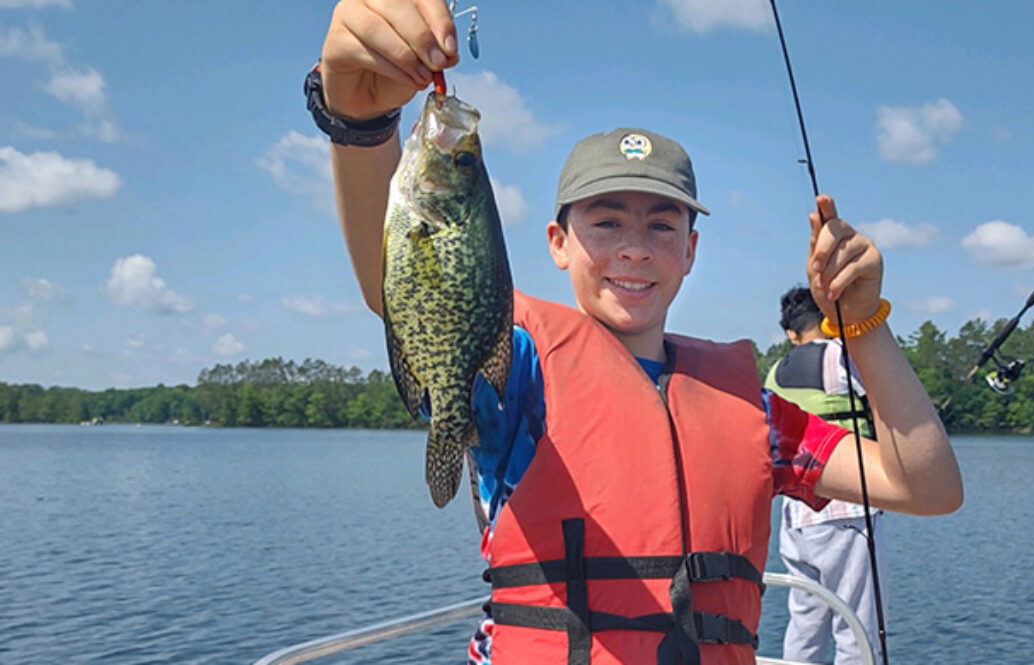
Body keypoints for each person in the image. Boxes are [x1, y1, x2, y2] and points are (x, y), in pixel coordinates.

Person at [313, 2, 963, 663]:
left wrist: (863, 327)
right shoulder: (519, 373)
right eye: (606, 223)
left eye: (661, 225)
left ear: (691, 250)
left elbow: (928, 487)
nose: (634, 249)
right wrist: (358, 120)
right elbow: (396, 288)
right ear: (558, 243)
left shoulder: (753, 414)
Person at [767, 286, 887, 665]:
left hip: (794, 516)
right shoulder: (843, 359)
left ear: (791, 334)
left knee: (805, 623)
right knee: (857, 625)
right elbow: (890, 410)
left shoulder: (775, 372)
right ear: (827, 320)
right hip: (848, 509)